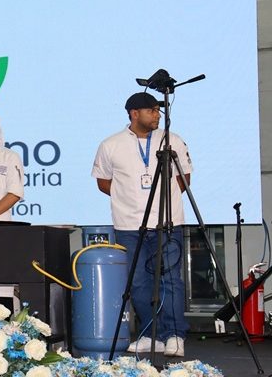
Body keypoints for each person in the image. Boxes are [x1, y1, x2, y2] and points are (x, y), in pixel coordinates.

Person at [92, 91, 192, 357]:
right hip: (128, 225)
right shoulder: (110, 145)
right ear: (134, 114)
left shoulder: (172, 140)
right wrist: (128, 197)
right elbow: (103, 182)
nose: (157, 115)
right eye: (151, 111)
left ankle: (175, 335)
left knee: (170, 279)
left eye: (158, 111)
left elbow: (184, 179)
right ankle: (151, 334)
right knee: (137, 282)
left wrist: (162, 201)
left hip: (167, 222)